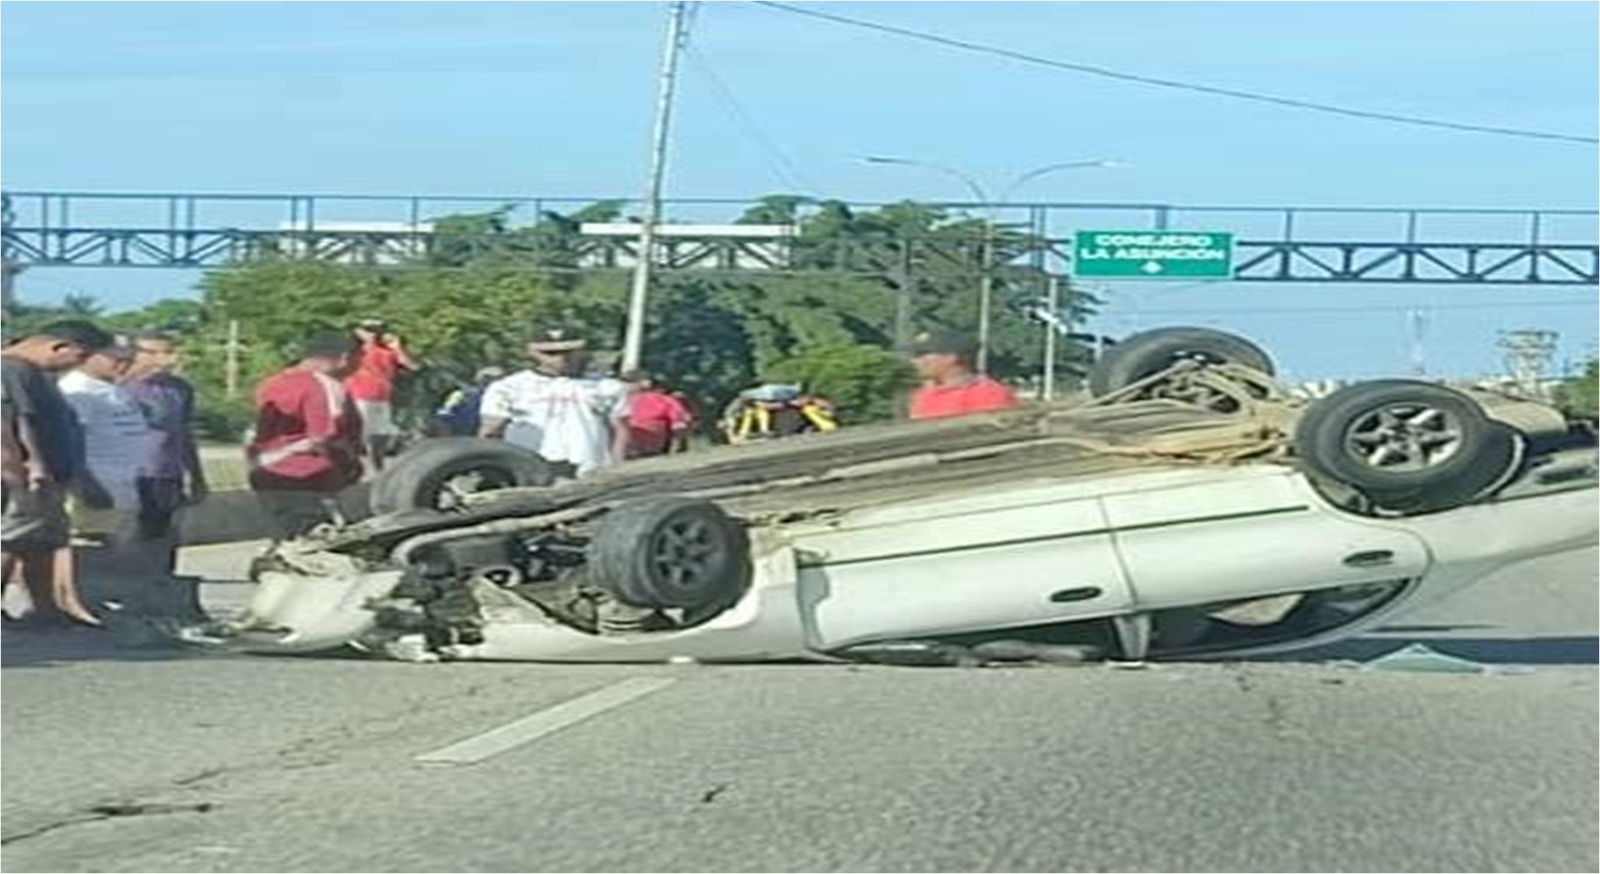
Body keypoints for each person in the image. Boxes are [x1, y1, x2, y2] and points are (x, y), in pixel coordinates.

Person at [2, 320, 115, 626]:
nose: (76, 366)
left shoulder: (37, 374)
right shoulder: (12, 369)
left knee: (40, 543)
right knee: (10, 540)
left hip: (51, 474)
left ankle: (45, 608)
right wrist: (32, 464)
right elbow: (15, 421)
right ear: (59, 347)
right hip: (24, 475)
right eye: (79, 357)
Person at [59, 341, 169, 618]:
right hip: (98, 481)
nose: (121, 365)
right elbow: (72, 440)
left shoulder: (111, 389)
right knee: (89, 544)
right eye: (113, 359)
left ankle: (103, 599)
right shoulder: (79, 390)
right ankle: (76, 602)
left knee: (115, 545)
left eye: (127, 359)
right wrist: (84, 482)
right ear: (90, 356)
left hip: (124, 481)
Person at [247, 333, 364, 540]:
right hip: (307, 474)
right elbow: (324, 437)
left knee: (286, 536)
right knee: (319, 541)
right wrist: (348, 465)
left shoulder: (272, 382)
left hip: (266, 471)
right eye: (360, 358)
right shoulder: (324, 385)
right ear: (345, 357)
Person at [477, 328, 628, 478]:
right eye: (550, 353)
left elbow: (620, 431)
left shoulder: (607, 387)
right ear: (532, 353)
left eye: (569, 352)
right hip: (529, 471)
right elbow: (490, 431)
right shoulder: (508, 387)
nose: (561, 358)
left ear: (582, 351)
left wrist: (618, 468)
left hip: (590, 469)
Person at [121, 330, 208, 578]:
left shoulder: (179, 389)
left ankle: (159, 583)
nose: (165, 358)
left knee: (165, 533)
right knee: (130, 534)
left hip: (167, 470)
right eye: (155, 352)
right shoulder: (122, 386)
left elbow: (185, 432)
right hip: (131, 472)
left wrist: (196, 475)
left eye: (168, 351)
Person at [343, 318, 417, 473]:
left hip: (382, 396)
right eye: (369, 330)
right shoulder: (355, 350)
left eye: (377, 330)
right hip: (359, 394)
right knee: (363, 434)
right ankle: (358, 467)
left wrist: (397, 347)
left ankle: (377, 467)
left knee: (381, 434)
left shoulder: (387, 351)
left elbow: (412, 366)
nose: (374, 334)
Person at [907, 331, 1021, 420]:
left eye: (921, 355)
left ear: (951, 358)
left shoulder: (988, 394)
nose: (914, 361)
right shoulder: (924, 394)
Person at [619, 369, 693, 459]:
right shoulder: (616, 401)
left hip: (652, 452)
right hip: (620, 452)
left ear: (645, 383)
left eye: (630, 382)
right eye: (624, 382)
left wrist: (675, 449)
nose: (626, 385)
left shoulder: (663, 400)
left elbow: (679, 424)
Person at [432, 366, 506, 437]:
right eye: (487, 378)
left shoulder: (504, 397)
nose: (490, 381)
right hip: (461, 433)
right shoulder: (462, 394)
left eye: (497, 378)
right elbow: (444, 415)